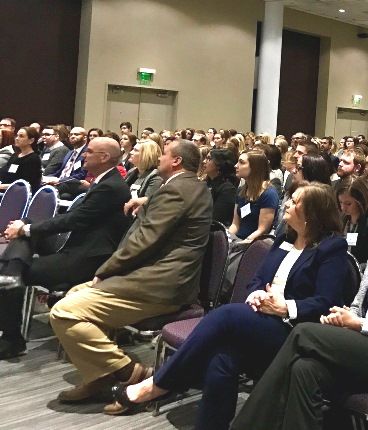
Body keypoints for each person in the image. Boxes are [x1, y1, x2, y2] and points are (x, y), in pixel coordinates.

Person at [109, 183, 350, 427]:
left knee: (224, 316)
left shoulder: (332, 248)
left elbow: (326, 302)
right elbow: (258, 279)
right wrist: (256, 294)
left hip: (293, 330)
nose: (287, 204)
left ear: (312, 213)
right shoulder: (283, 240)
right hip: (262, 318)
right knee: (222, 357)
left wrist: (286, 307)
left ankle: (159, 385)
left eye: (295, 202)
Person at [229, 187, 368, 430]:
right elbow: (358, 305)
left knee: (304, 332)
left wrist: (359, 324)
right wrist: (344, 316)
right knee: (304, 369)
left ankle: (244, 426)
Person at [47, 139, 212, 409]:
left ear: (176, 161)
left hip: (160, 284)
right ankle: (100, 377)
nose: (158, 157)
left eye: (164, 154)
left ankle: (130, 372)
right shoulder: (188, 186)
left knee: (65, 312)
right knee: (75, 293)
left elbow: (145, 241)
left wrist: (106, 270)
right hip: (159, 276)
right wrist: (146, 202)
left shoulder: (178, 190)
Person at [0, 137, 131, 359]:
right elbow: (72, 218)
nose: (84, 154)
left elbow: (75, 220)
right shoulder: (105, 181)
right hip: (77, 245)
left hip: (87, 258)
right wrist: (26, 227)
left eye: (89, 151)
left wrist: (26, 229)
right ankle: (13, 269)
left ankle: (12, 338)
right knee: (26, 228)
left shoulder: (111, 187)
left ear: (104, 157)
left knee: (12, 265)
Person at [228, 151, 279, 242]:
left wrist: (242, 243)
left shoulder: (269, 193)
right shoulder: (241, 190)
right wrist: (228, 238)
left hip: (254, 244)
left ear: (255, 168)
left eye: (242, 162)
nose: (236, 165)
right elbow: (235, 224)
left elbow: (262, 230)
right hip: (238, 240)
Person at [336, 177, 368, 267]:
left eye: (348, 204)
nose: (343, 208)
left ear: (361, 201)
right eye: (340, 202)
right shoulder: (343, 218)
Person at [123, 140, 163, 219]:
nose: (131, 152)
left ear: (146, 155)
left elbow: (149, 203)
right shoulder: (132, 171)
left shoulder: (156, 176)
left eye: (135, 150)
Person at [0, 126, 41, 191]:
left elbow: (24, 184)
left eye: (21, 136)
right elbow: (4, 172)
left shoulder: (33, 159)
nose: (17, 138)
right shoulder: (15, 155)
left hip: (18, 193)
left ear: (31, 140)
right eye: (17, 135)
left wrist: (2, 186)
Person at [203, 148, 237, 226]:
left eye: (209, 159)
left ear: (219, 165)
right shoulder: (206, 183)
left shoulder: (227, 189)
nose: (204, 161)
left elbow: (217, 219)